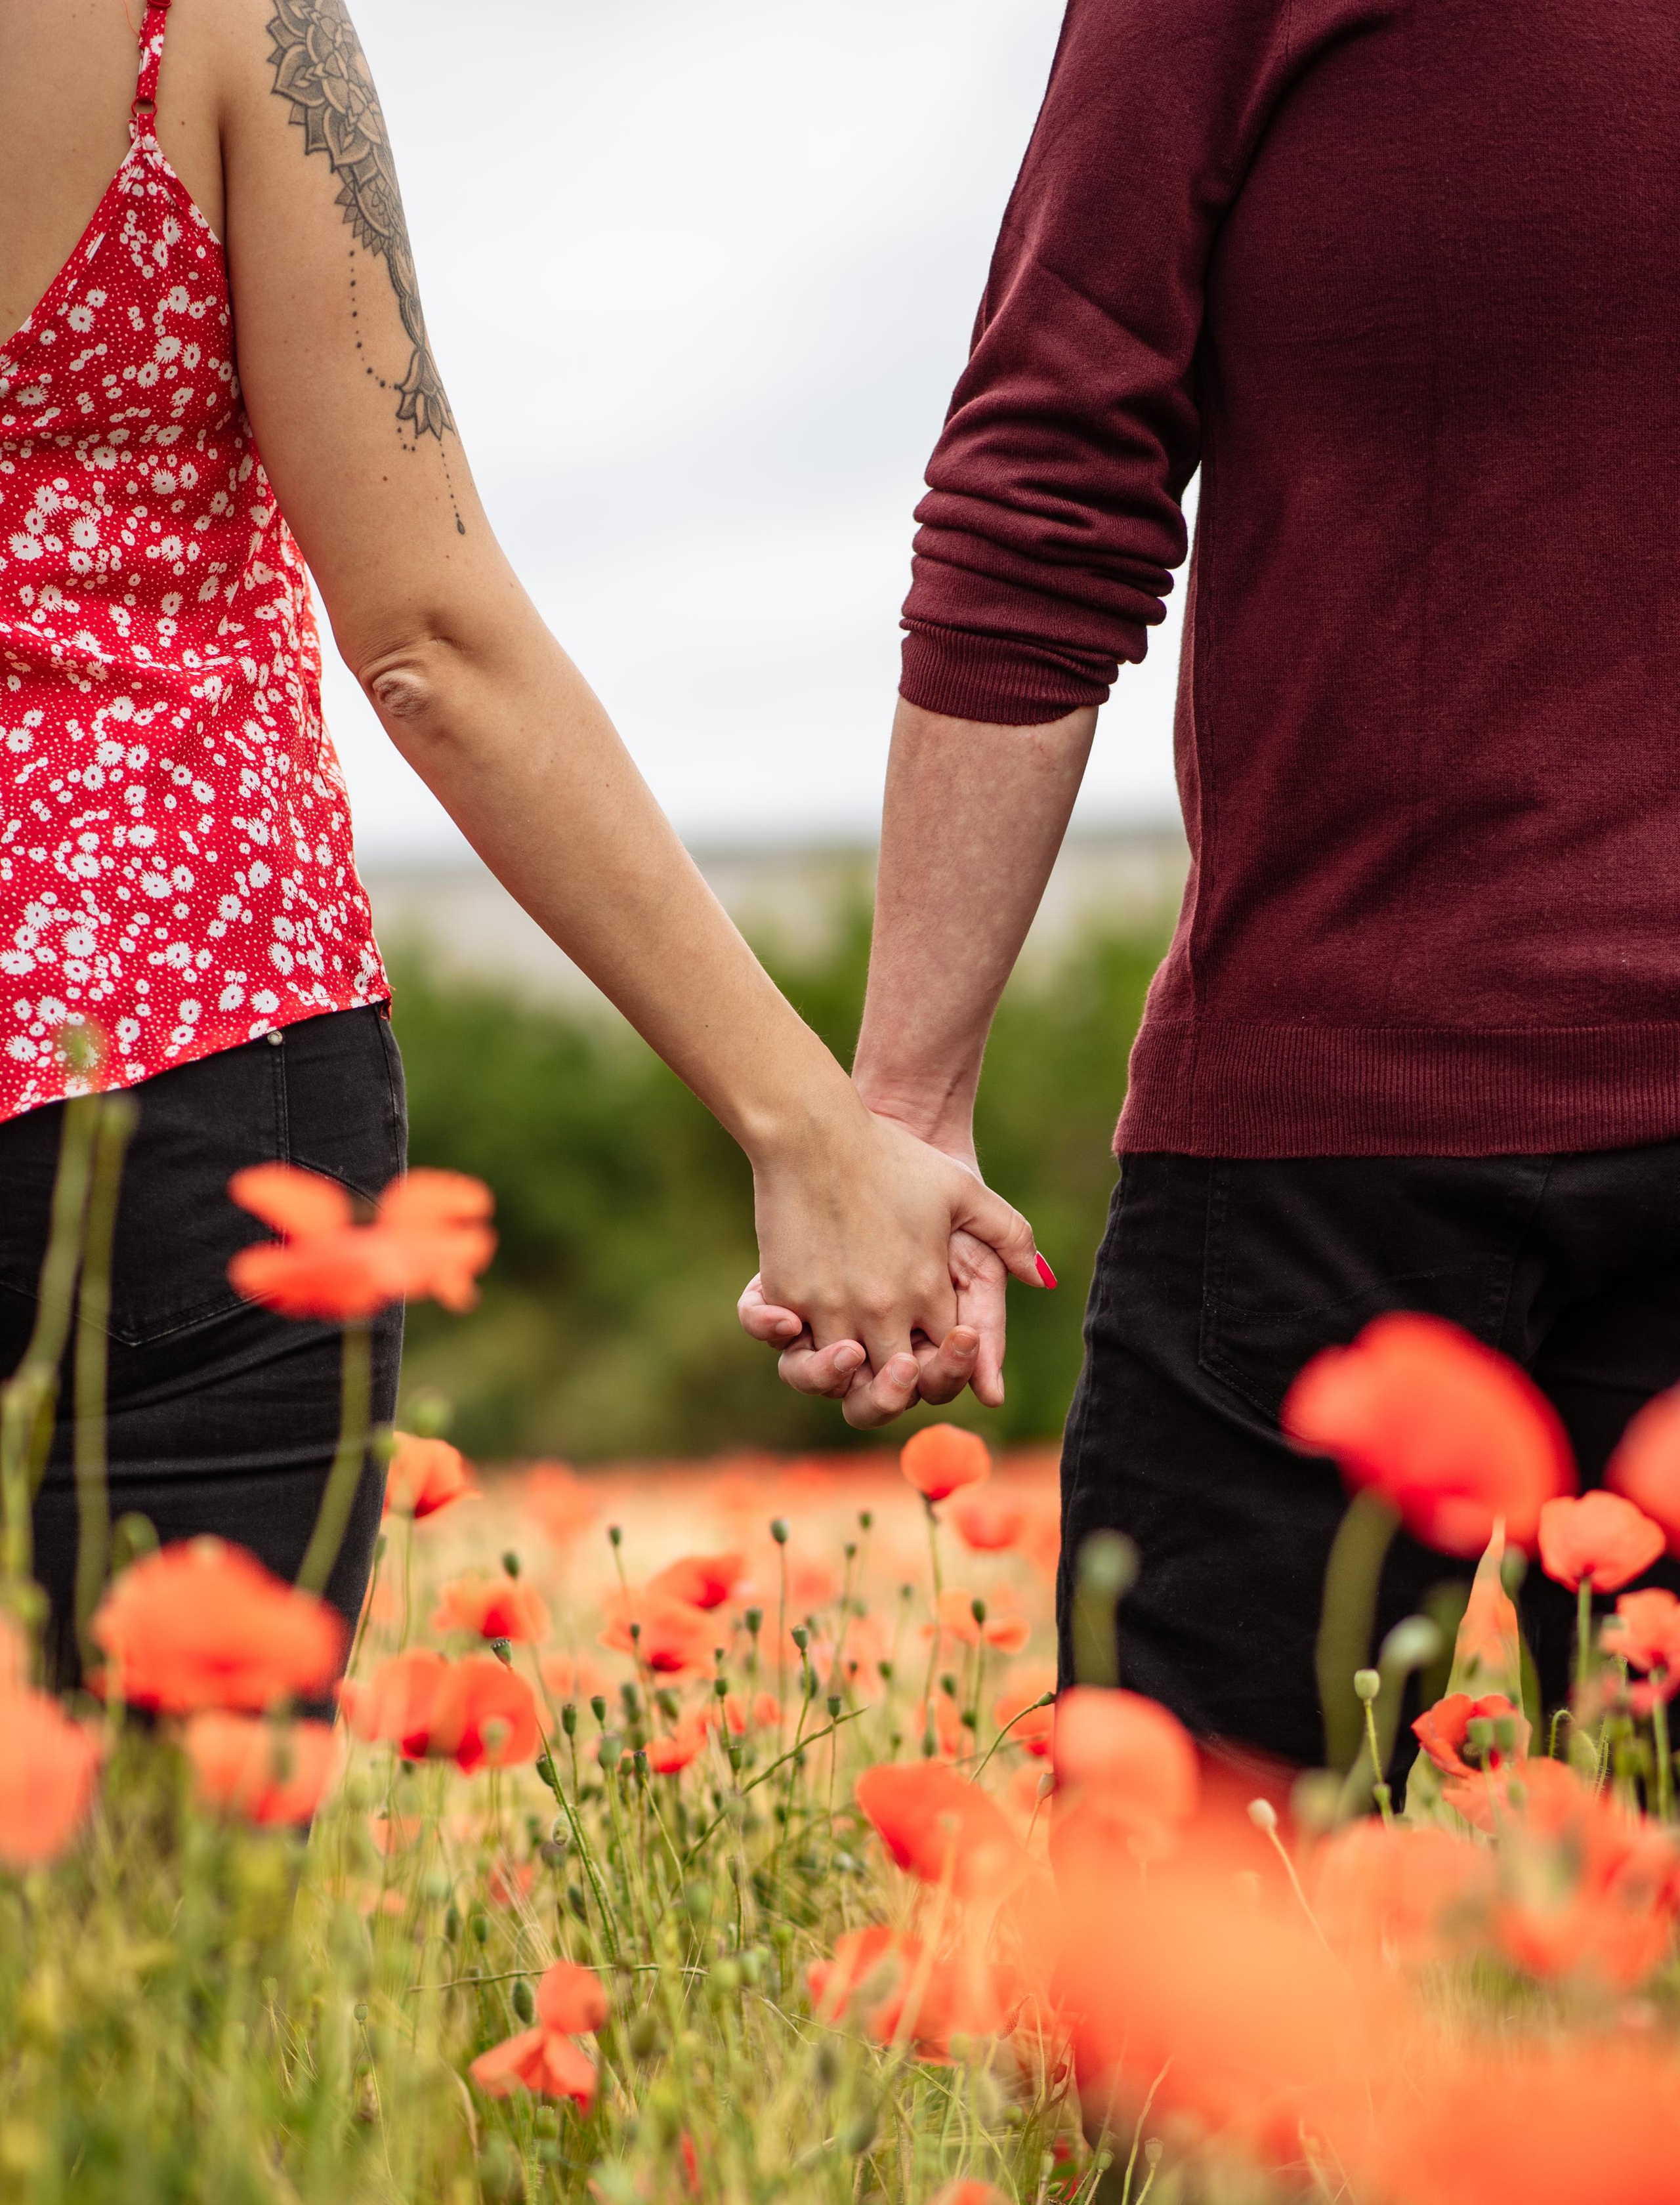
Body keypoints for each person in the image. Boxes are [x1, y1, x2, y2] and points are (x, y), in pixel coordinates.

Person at [0, 0, 1043, 1670]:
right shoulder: (211, 27)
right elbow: (431, 643)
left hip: (191, 1103)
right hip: (187, 1079)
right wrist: (809, 1133)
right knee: (165, 1890)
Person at [746, 0, 1680, 1767]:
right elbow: (1051, 493)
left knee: (1212, 1975)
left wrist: (905, 1105)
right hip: (1332, 1143)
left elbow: (1053, 469)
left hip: (1331, 1129)